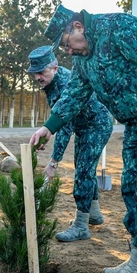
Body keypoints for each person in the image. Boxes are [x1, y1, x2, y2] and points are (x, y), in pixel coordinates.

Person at [29, 4, 137, 273]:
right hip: (134, 122)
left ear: (78, 27)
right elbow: (75, 93)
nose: (68, 51)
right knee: (131, 187)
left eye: (66, 44)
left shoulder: (119, 28)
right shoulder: (83, 60)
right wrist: (48, 127)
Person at [27, 45, 113, 242]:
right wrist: (48, 132)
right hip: (84, 125)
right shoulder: (51, 84)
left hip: (96, 124)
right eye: (35, 73)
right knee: (85, 169)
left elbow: (65, 124)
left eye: (42, 72)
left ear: (55, 68)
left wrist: (53, 163)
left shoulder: (65, 82)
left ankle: (81, 226)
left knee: (82, 172)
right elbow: (59, 119)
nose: (38, 77)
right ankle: (94, 214)